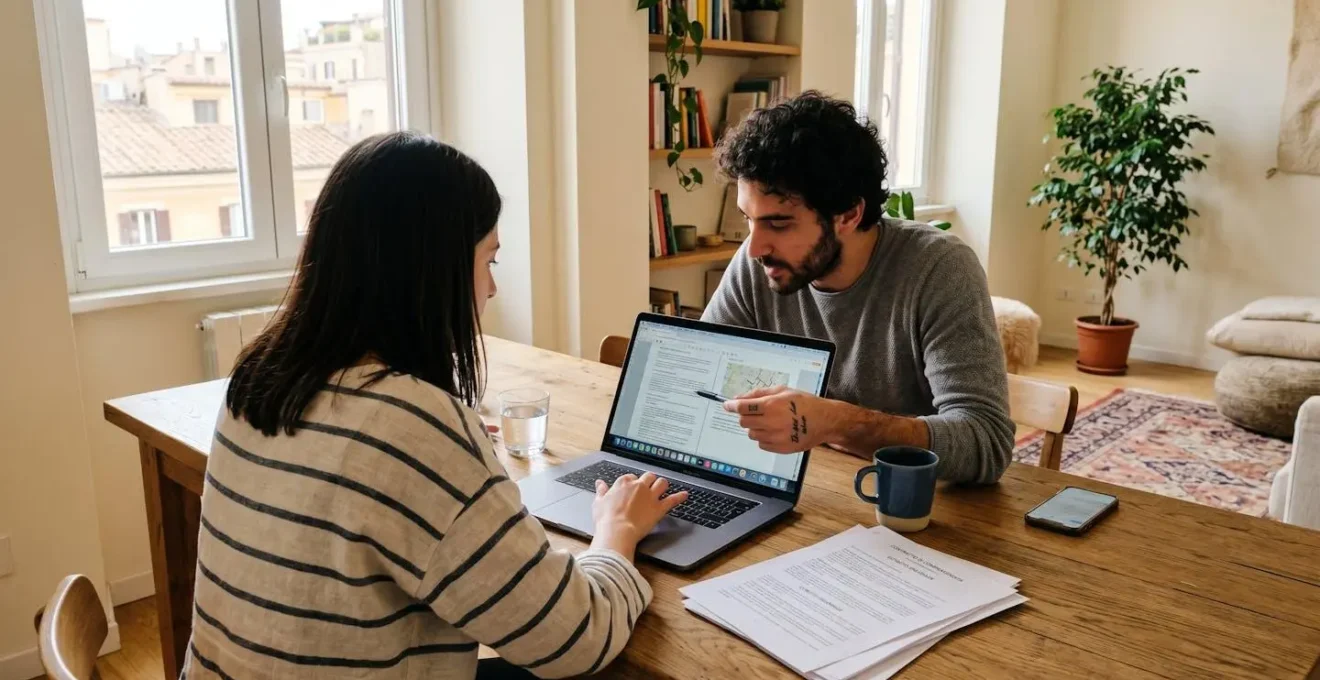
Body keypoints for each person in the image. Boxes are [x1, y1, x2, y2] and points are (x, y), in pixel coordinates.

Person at [184, 132, 688, 680]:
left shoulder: (258, 377)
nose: (492, 288)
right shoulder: (409, 423)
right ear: (432, 270)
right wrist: (616, 531)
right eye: (488, 260)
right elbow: (574, 637)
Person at [703, 91, 1015, 484]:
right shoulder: (759, 262)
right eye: (749, 218)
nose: (755, 247)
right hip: (812, 494)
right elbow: (701, 376)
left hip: (910, 514)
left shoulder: (938, 269)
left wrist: (835, 421)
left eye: (779, 224)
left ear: (849, 214)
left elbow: (985, 441)